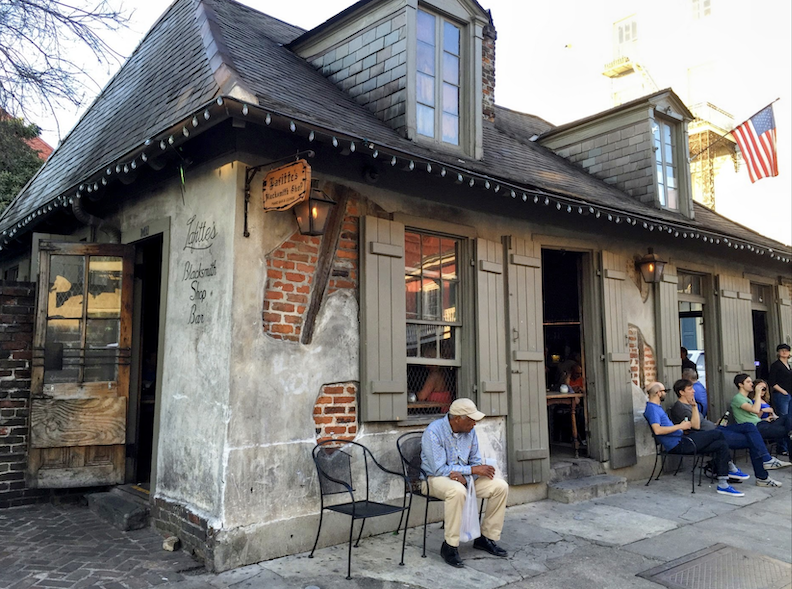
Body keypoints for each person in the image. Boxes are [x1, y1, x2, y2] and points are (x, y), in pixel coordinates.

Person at [421, 398, 509, 567]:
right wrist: (471, 471)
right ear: (457, 419)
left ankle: (486, 537)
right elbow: (439, 469)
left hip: (465, 479)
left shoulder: (470, 431)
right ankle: (450, 546)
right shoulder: (433, 432)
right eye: (471, 420)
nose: (474, 423)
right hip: (433, 479)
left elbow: (475, 461)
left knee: (500, 487)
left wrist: (471, 472)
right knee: (457, 491)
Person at [669, 379, 787, 487]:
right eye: (690, 389)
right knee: (753, 441)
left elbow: (703, 421)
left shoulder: (689, 404)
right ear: (681, 392)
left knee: (749, 426)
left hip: (717, 428)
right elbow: (696, 426)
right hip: (711, 436)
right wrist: (694, 407)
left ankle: (766, 461)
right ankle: (763, 475)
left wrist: (715, 423)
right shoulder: (679, 407)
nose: (694, 391)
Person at [644, 381, 744, 496]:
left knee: (720, 445)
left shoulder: (657, 407)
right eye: (664, 391)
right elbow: (657, 430)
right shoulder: (652, 409)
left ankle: (723, 483)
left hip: (682, 439)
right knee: (717, 434)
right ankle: (732, 468)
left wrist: (693, 408)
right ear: (658, 393)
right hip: (677, 444)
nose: (666, 393)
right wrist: (680, 426)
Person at [731, 373, 792, 453]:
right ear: (740, 384)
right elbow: (755, 410)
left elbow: (753, 416)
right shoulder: (738, 398)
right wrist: (758, 393)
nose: (751, 384)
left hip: (762, 423)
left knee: (788, 417)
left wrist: (765, 418)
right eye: (748, 382)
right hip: (755, 428)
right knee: (787, 430)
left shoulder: (746, 399)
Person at [768, 343, 791, 455]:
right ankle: (782, 447)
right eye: (782, 350)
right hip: (781, 395)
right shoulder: (776, 365)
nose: (784, 352)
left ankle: (788, 446)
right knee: (783, 419)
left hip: (789, 395)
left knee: (790, 420)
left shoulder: (789, 365)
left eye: (786, 350)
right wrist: (783, 391)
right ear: (778, 352)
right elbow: (772, 382)